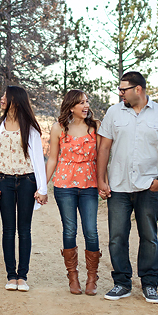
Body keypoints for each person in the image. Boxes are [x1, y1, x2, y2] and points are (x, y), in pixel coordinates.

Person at [97, 71, 158, 303]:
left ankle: (149, 284)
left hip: (148, 187)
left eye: (123, 89)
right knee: (117, 237)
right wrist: (101, 180)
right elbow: (104, 148)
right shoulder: (114, 113)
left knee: (149, 237)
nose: (120, 93)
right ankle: (121, 283)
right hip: (119, 186)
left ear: (138, 90)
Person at [0, 86, 48, 292]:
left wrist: (42, 188)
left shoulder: (30, 128)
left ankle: (23, 276)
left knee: (24, 230)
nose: (2, 99)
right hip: (4, 181)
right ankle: (11, 275)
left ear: (16, 100)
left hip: (26, 181)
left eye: (6, 96)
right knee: (8, 229)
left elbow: (38, 160)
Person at [45, 89, 102, 295]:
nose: (86, 106)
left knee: (91, 231)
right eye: (81, 103)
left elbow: (103, 158)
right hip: (64, 185)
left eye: (87, 102)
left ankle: (92, 277)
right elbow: (52, 158)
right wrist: (42, 185)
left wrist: (104, 182)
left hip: (90, 185)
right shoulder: (59, 128)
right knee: (70, 230)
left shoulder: (96, 127)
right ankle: (73, 276)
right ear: (71, 107)